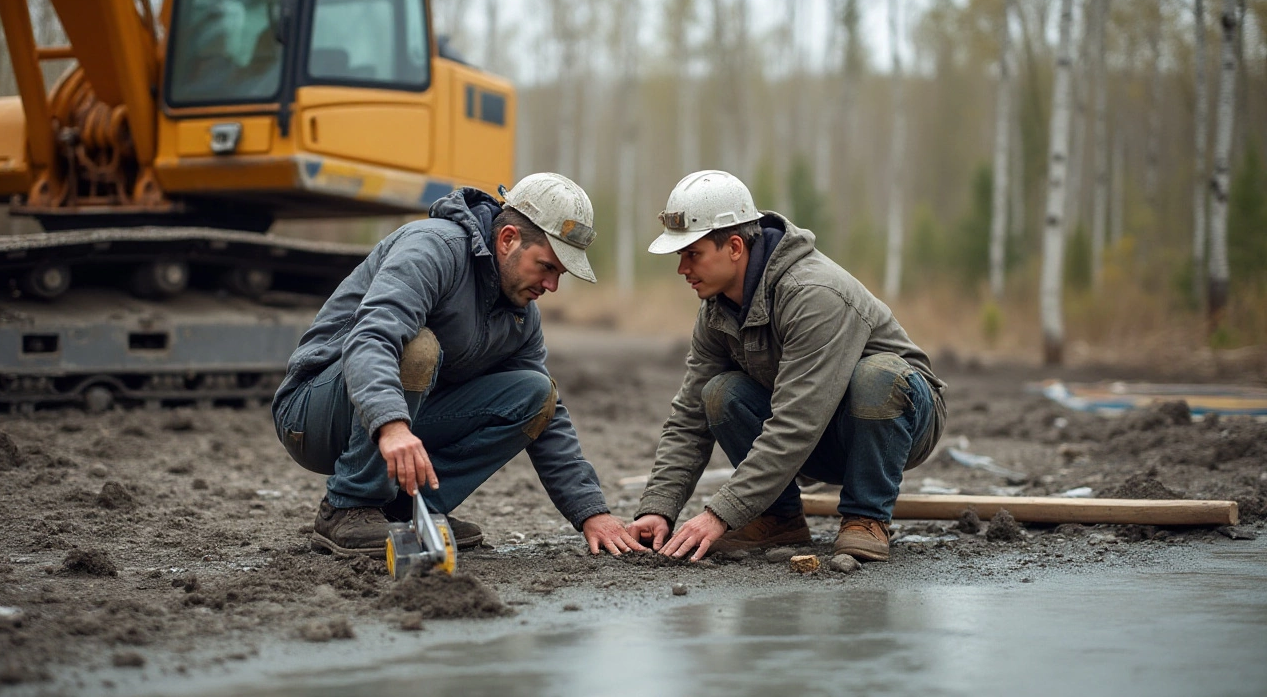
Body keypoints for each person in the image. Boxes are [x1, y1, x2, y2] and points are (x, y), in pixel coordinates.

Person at [272, 173, 645, 558]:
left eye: (559, 275)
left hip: (397, 421)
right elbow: (372, 338)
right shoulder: (433, 247)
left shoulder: (520, 314)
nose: (551, 286)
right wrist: (392, 425)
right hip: (312, 414)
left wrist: (591, 513)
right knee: (417, 346)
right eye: (546, 267)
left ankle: (405, 511)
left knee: (536, 394)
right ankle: (348, 506)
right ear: (508, 239)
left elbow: (547, 418)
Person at [627, 170, 947, 563]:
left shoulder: (813, 294)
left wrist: (718, 515)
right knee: (718, 395)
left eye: (692, 254)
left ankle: (866, 517)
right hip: (818, 434)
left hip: (897, 427)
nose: (682, 269)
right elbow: (689, 416)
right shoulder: (715, 311)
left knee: (877, 376)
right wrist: (658, 507)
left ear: (734, 246)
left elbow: (797, 421)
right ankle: (778, 517)